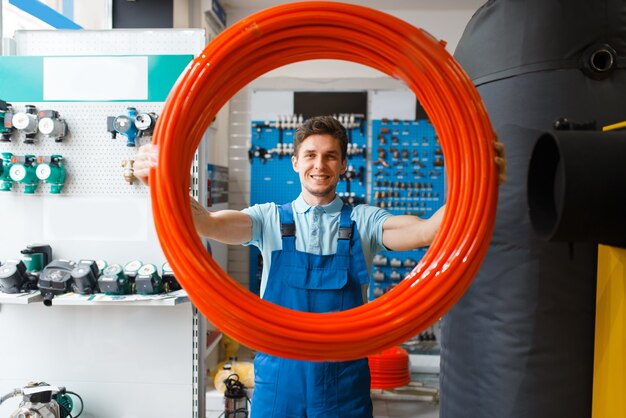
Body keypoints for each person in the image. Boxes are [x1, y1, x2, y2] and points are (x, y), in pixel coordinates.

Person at [134, 115, 505, 418]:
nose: (319, 165)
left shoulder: (364, 221)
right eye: (310, 154)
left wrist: (479, 181)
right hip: (280, 379)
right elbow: (208, 224)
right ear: (295, 162)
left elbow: (427, 231)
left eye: (330, 156)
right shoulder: (267, 220)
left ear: (344, 164)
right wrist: (161, 183)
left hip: (342, 381)